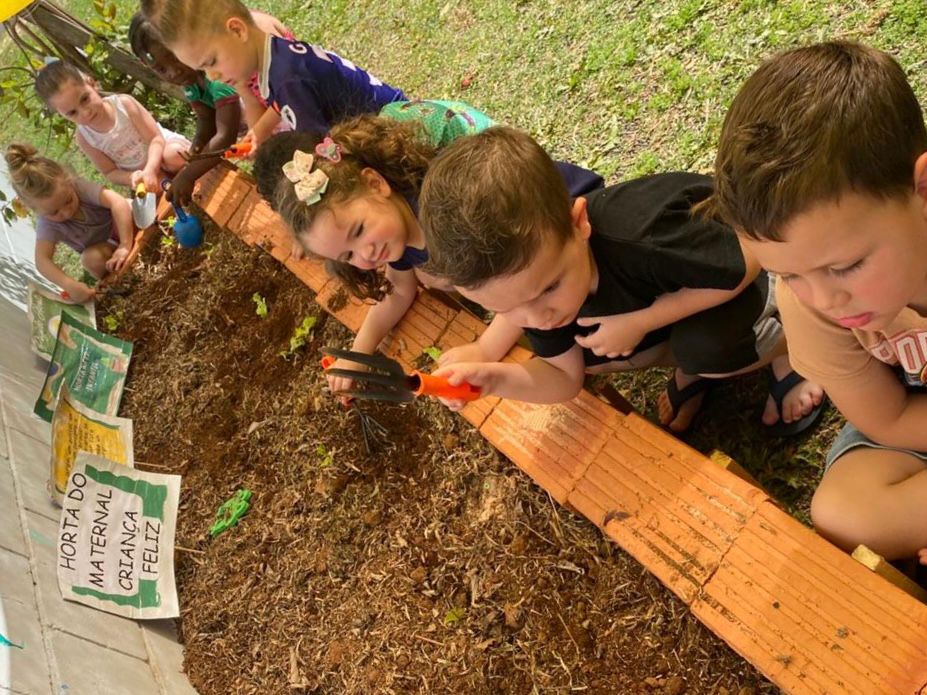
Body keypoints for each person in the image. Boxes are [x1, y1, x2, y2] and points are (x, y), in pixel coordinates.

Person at [418, 126, 824, 436]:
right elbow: (563, 377)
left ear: (579, 224)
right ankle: (694, 365)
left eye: (548, 289)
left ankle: (794, 349)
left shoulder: (641, 234)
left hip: (743, 269)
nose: (537, 319)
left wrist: (643, 321)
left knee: (706, 348)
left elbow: (746, 261)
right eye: (505, 310)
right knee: (604, 354)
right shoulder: (532, 290)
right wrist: (492, 379)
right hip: (677, 297)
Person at [710, 41, 927, 564]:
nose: (825, 299)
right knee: (841, 512)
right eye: (788, 273)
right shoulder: (808, 305)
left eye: (846, 266)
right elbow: (889, 417)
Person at [253, 112, 524, 395]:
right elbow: (399, 290)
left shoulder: (449, 217)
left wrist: (486, 347)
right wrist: (359, 354)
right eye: (348, 256)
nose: (365, 256)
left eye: (358, 231)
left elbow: (522, 284)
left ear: (375, 183)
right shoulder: (394, 228)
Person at [149, 0, 407, 146]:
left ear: (237, 31)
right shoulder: (273, 58)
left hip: (396, 129)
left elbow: (323, 149)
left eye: (211, 61)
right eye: (202, 70)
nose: (213, 76)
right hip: (385, 118)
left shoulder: (285, 79)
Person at [128, 12, 242, 206]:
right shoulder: (190, 82)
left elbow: (225, 137)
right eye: (161, 69)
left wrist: (188, 175)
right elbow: (206, 120)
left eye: (174, 57)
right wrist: (196, 147)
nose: (174, 72)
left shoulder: (217, 75)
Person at [34, 60, 189, 194]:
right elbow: (110, 172)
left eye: (85, 99)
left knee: (175, 155)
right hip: (142, 172)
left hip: (162, 151)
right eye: (72, 113)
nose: (85, 112)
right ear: (62, 114)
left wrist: (151, 168)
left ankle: (194, 171)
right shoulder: (85, 138)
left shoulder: (124, 105)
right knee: (156, 189)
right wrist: (132, 178)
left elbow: (155, 139)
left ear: (91, 83)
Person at [4, 143, 134, 303]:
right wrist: (70, 285)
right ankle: (122, 282)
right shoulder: (47, 226)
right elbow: (42, 261)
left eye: (68, 200)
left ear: (69, 182)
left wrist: (125, 245)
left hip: (123, 225)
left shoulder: (78, 187)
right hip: (107, 247)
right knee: (90, 259)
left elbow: (118, 202)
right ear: (34, 210)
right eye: (54, 212)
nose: (66, 212)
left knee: (132, 208)